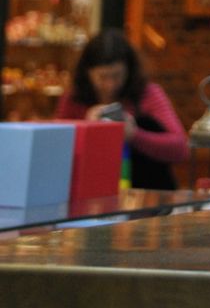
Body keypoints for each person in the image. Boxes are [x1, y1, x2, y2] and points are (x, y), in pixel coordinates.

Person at [56, 29, 189, 190]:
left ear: (129, 70)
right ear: (87, 73)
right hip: (90, 191)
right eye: (103, 77)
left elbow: (180, 148)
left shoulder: (148, 94)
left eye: (117, 75)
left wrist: (134, 135)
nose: (110, 84)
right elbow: (56, 149)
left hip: (144, 194)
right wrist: (86, 129)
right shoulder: (73, 99)